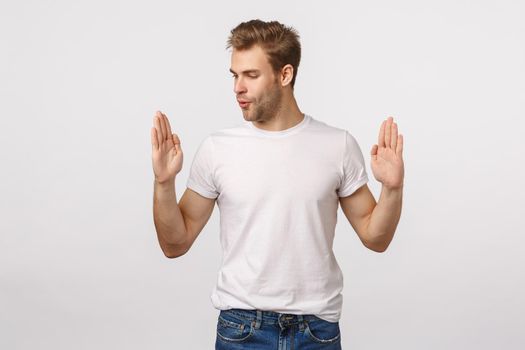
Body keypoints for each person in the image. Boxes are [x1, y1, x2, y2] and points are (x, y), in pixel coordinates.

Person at [151, 19, 404, 350]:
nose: (237, 87)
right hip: (242, 329)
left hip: (317, 330)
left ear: (285, 75)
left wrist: (393, 190)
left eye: (251, 75)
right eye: (234, 75)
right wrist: (164, 183)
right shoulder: (217, 149)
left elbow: (376, 237)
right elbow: (175, 244)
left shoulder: (337, 145)